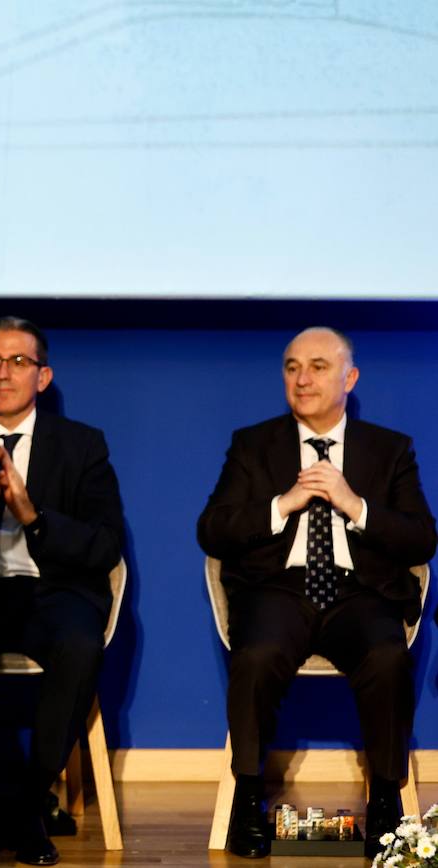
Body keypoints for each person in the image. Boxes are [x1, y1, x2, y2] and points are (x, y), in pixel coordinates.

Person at [198, 326, 436, 859]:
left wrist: (356, 506)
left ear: (349, 378)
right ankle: (250, 798)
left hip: (362, 592)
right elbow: (211, 529)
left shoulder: (388, 449)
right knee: (255, 656)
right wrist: (281, 504)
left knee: (385, 655)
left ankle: (384, 803)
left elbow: (422, 536)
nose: (302, 378)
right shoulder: (253, 444)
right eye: (291, 366)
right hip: (278, 588)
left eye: (318, 366)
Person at [0, 318, 125, 866]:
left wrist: (31, 515)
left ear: (43, 376)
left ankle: (24, 805)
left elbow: (103, 545)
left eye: (19, 362)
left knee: (80, 645)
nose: (4, 373)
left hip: (52, 592)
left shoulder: (83, 445)